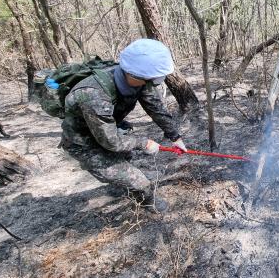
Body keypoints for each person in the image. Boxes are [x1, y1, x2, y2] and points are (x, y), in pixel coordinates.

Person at [61, 39, 187, 213]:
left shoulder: (139, 80)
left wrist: (175, 136)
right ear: (133, 75)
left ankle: (125, 182)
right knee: (141, 183)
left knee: (125, 159)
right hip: (84, 144)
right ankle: (148, 202)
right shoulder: (94, 94)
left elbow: (155, 107)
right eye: (150, 80)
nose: (152, 85)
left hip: (108, 131)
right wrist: (144, 143)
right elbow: (111, 141)